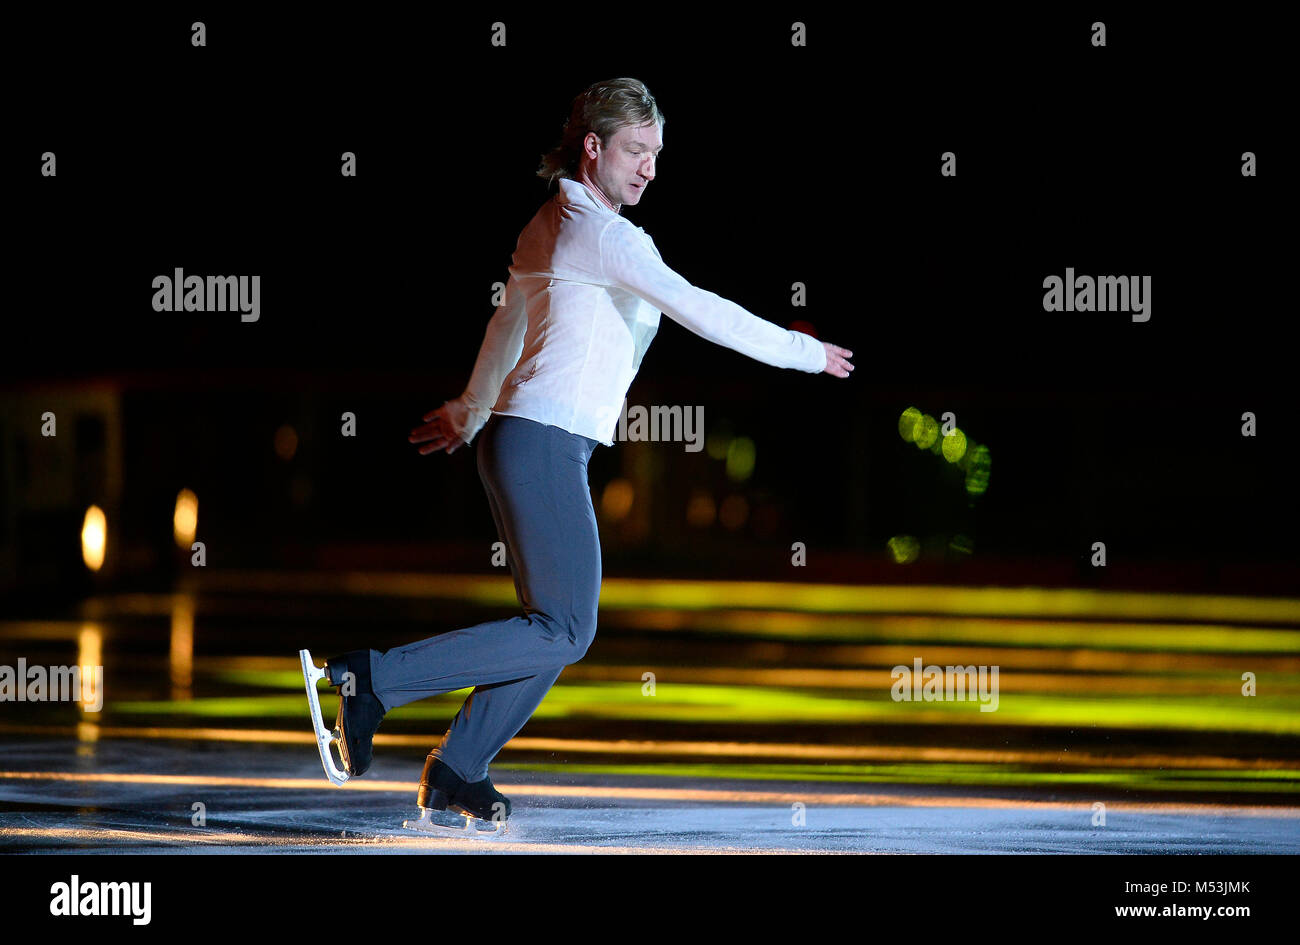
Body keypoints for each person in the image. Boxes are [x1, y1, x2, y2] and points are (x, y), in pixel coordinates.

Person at [320, 77, 854, 825]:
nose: (649, 168)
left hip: (521, 438)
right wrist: (800, 351)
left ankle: (458, 766)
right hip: (540, 441)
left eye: (658, 154)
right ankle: (370, 679)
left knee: (555, 624)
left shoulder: (551, 222)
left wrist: (471, 410)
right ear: (594, 147)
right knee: (567, 626)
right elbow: (699, 308)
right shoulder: (604, 236)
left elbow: (505, 325)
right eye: (636, 150)